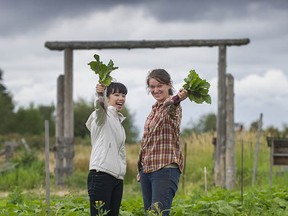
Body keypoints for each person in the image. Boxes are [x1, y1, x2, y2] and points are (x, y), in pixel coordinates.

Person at [137, 69, 188, 216]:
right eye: (152, 87)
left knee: (159, 213)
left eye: (159, 86)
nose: (155, 90)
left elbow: (171, 107)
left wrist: (178, 98)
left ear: (169, 85)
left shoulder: (173, 106)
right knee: (150, 213)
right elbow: (147, 141)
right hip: (148, 170)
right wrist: (141, 168)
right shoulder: (153, 109)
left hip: (165, 168)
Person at [86, 82, 128, 216]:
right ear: (108, 97)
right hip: (101, 175)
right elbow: (99, 108)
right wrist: (100, 95)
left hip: (117, 178)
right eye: (116, 94)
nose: (121, 98)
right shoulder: (102, 117)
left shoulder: (118, 122)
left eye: (123, 95)